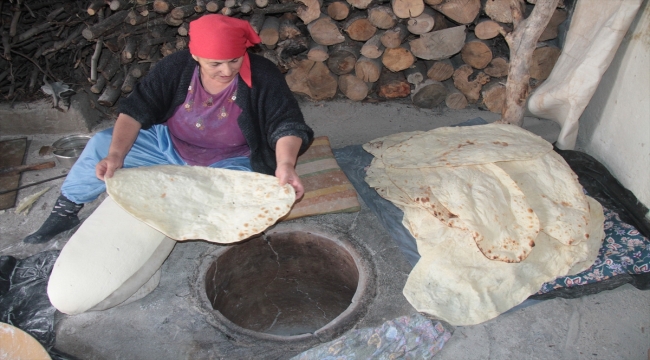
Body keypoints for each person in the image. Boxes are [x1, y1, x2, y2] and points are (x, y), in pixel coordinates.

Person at [24, 14, 314, 244]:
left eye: (234, 61)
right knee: (102, 143)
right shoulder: (176, 67)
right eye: (215, 64)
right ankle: (66, 209)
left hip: (231, 160)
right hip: (169, 145)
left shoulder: (263, 74)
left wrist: (285, 164)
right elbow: (136, 109)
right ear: (197, 56)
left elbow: (286, 123)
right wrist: (115, 155)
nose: (226, 71)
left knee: (230, 207)